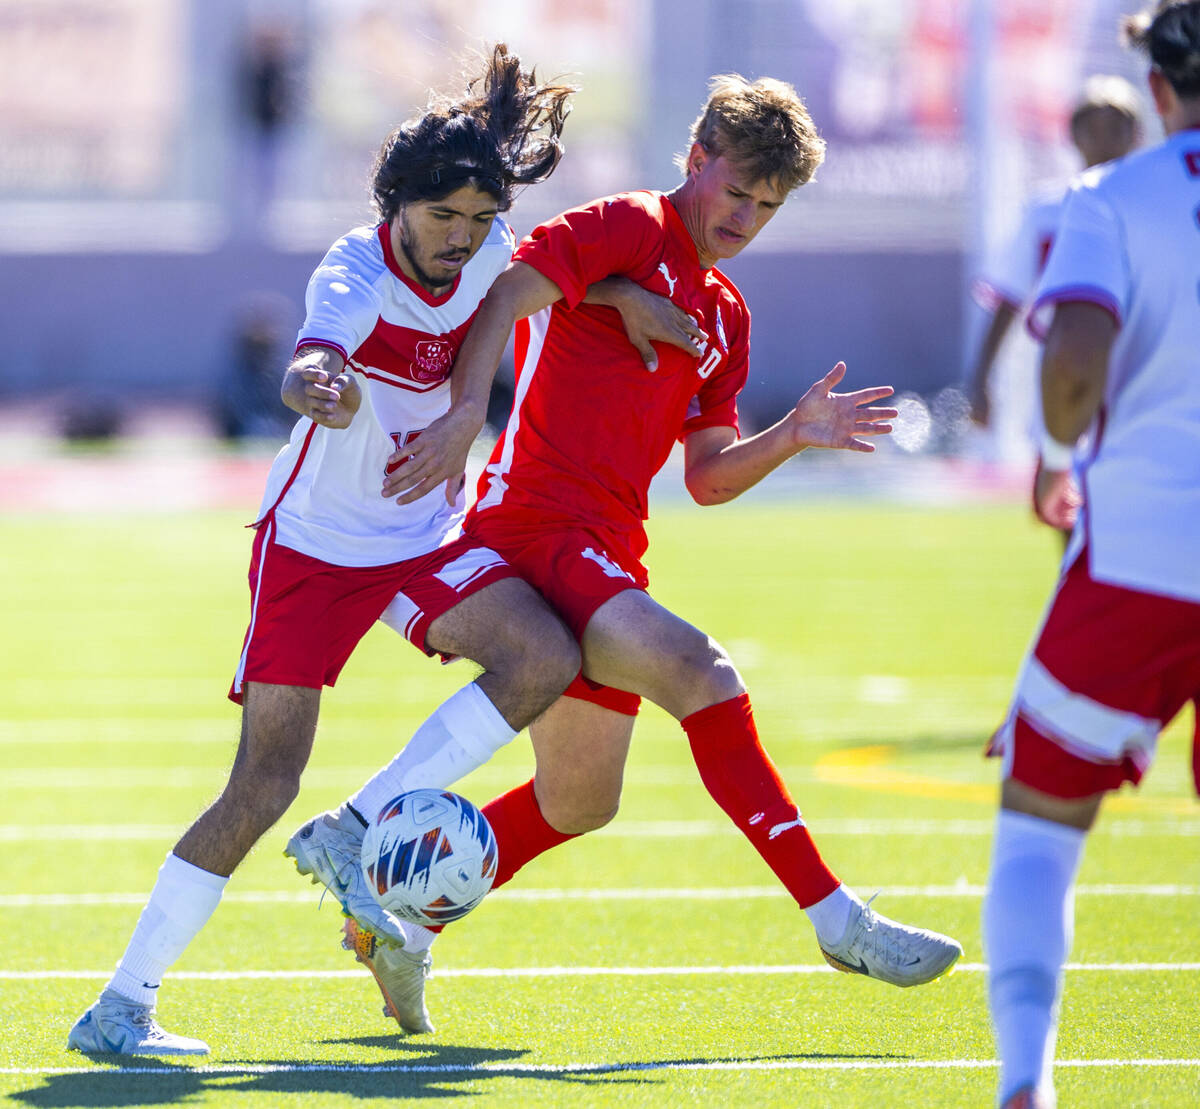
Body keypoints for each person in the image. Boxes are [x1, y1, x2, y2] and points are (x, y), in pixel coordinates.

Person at [65, 44, 693, 1057]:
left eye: (479, 221)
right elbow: (315, 353)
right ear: (393, 205)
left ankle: (355, 825)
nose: (462, 238)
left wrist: (621, 297)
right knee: (263, 784)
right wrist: (317, 382)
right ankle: (122, 1004)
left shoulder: (489, 256)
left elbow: (556, 277)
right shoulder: (354, 269)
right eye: (442, 217)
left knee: (543, 657)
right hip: (314, 544)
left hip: (419, 536)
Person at [344, 71, 963, 1031]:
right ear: (696, 160)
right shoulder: (630, 223)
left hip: (606, 549)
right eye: (738, 192)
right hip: (534, 527)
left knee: (579, 800)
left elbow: (709, 476)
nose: (748, 217)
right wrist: (476, 408)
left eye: (770, 205)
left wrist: (792, 436)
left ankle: (397, 920)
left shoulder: (727, 316)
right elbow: (508, 290)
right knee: (700, 670)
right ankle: (838, 918)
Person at [980, 4, 1200, 1106]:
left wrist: (1060, 450)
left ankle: (1028, 1082)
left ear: (1159, 87)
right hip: (1148, 546)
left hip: (1148, 552)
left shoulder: (1115, 197)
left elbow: (1072, 360)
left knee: (1041, 822)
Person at [966, 75, 1142, 478]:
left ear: (1137, 133)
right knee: (1064, 496)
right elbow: (1008, 299)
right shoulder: (1047, 211)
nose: (1105, 140)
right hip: (1064, 370)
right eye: (1093, 128)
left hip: (1137, 371)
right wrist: (981, 378)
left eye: (1117, 128)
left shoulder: (1151, 206)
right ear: (1073, 134)